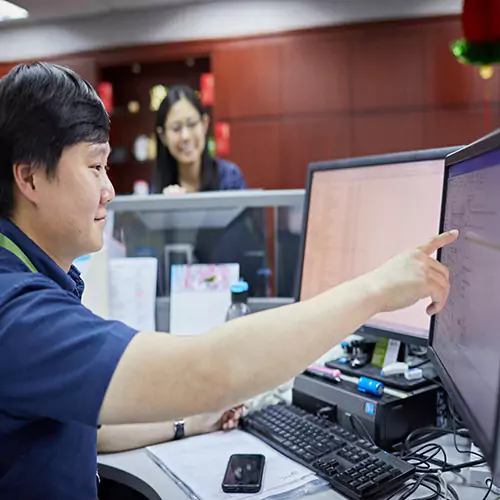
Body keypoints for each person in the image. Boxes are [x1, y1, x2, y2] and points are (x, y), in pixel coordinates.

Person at [0, 62, 457, 500]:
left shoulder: (37, 277)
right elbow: (209, 370)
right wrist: (376, 289)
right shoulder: (18, 313)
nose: (109, 190)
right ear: (30, 178)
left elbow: (88, 419)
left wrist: (189, 423)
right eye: (95, 167)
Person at [154, 84, 246, 194]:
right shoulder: (157, 190)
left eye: (192, 124)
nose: (185, 136)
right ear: (162, 136)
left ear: (204, 124)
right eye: (176, 128)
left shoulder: (229, 177)